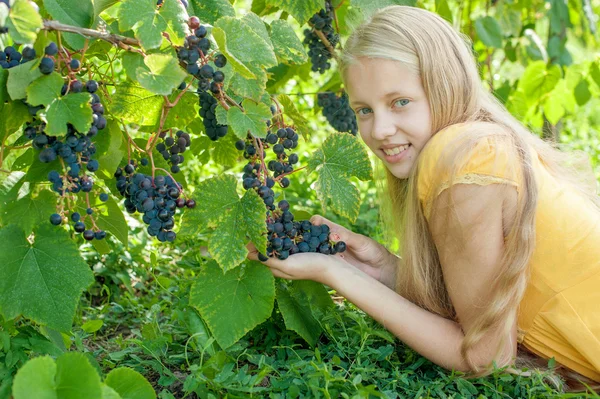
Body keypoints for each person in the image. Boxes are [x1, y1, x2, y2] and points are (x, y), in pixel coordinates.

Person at [247, 5, 600, 393]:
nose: (379, 130)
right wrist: (381, 268)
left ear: (445, 85)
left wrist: (337, 274)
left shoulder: (462, 158)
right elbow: (477, 305)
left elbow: (486, 355)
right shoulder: (480, 143)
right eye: (364, 110)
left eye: (400, 102)